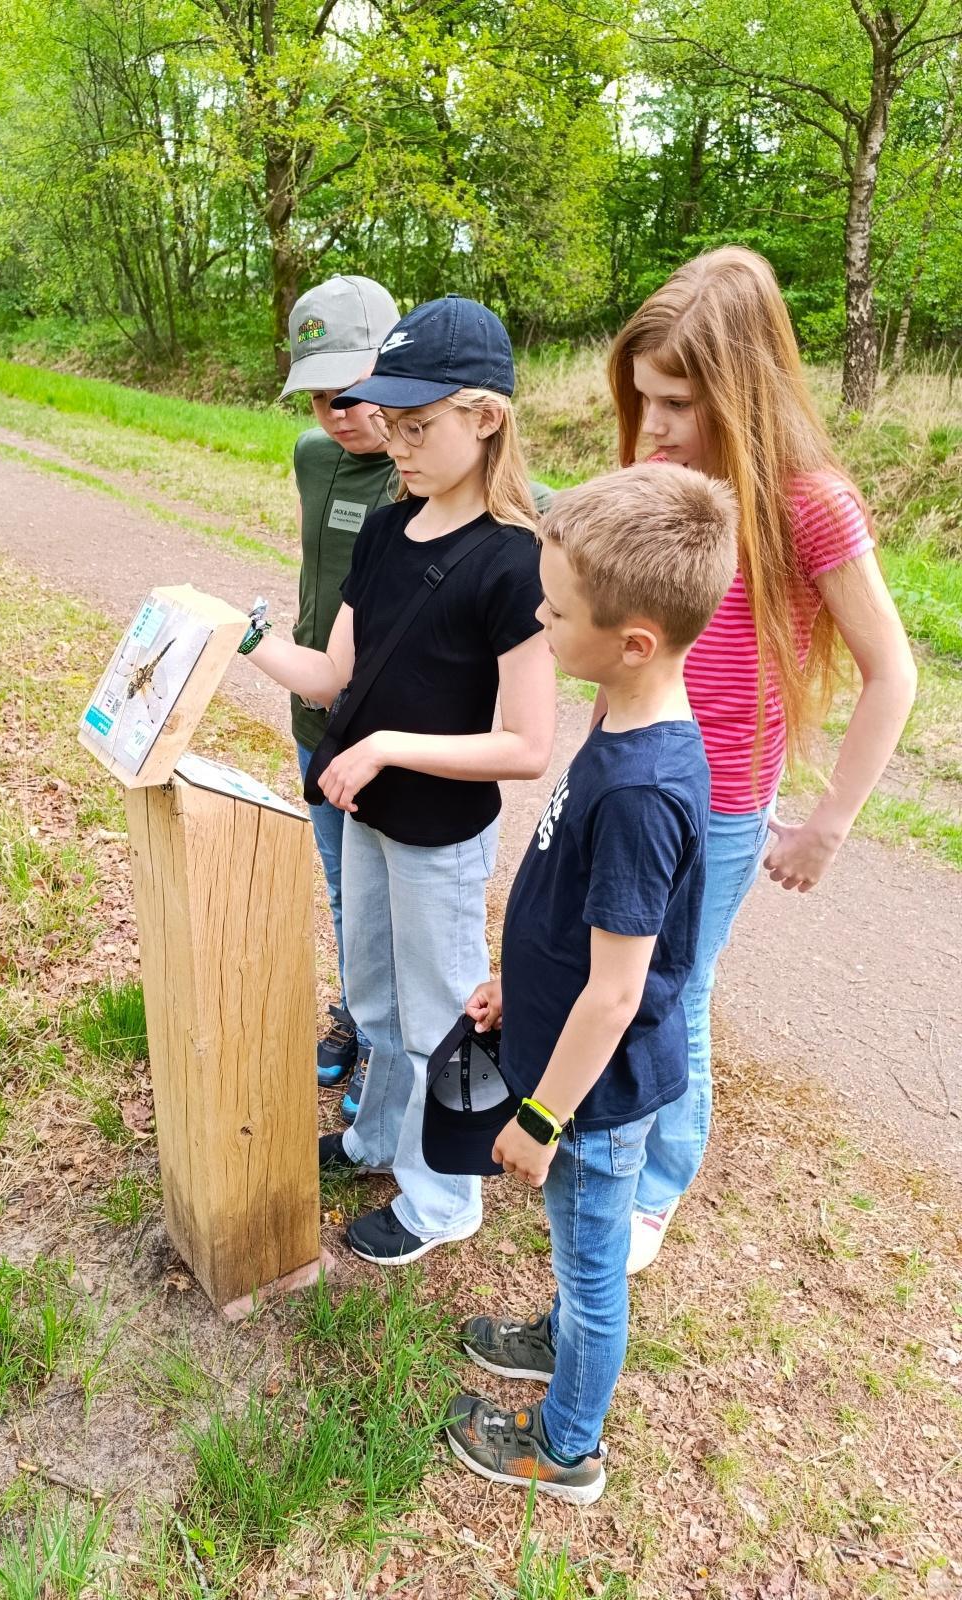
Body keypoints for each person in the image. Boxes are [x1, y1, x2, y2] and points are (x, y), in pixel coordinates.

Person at [608, 247, 917, 1273]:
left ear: (740, 394)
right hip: (631, 777)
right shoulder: (658, 474)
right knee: (617, 969)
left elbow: (893, 674)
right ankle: (608, 1121)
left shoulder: (810, 502)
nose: (651, 427)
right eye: (642, 398)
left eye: (678, 404)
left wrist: (828, 826)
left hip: (724, 807)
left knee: (677, 990)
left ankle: (660, 1180)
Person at [444, 461, 739, 1503]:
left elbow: (617, 992)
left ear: (634, 640)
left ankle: (567, 1443)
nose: (537, 615)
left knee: (593, 1260)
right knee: (579, 1246)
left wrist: (538, 1113)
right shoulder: (621, 710)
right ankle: (560, 1334)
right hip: (568, 1059)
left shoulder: (644, 791)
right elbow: (568, 900)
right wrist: (514, 982)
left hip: (594, 1097)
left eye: (557, 609)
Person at [239, 294, 555, 1263]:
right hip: (366, 813)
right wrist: (242, 640)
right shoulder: (385, 530)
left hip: (437, 831)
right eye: (393, 423)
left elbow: (527, 744)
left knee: (434, 1012)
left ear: (486, 419)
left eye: (418, 427)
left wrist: (386, 748)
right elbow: (336, 672)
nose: (396, 443)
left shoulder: (513, 563)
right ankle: (379, 1138)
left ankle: (442, 1195)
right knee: (373, 994)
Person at [280, 275, 401, 1118]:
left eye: (355, 394)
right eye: (321, 396)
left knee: (389, 905)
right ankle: (356, 1016)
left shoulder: (433, 467)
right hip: (313, 719)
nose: (339, 414)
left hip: (390, 736)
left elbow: (539, 511)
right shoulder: (312, 457)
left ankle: (391, 1056)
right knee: (339, 888)